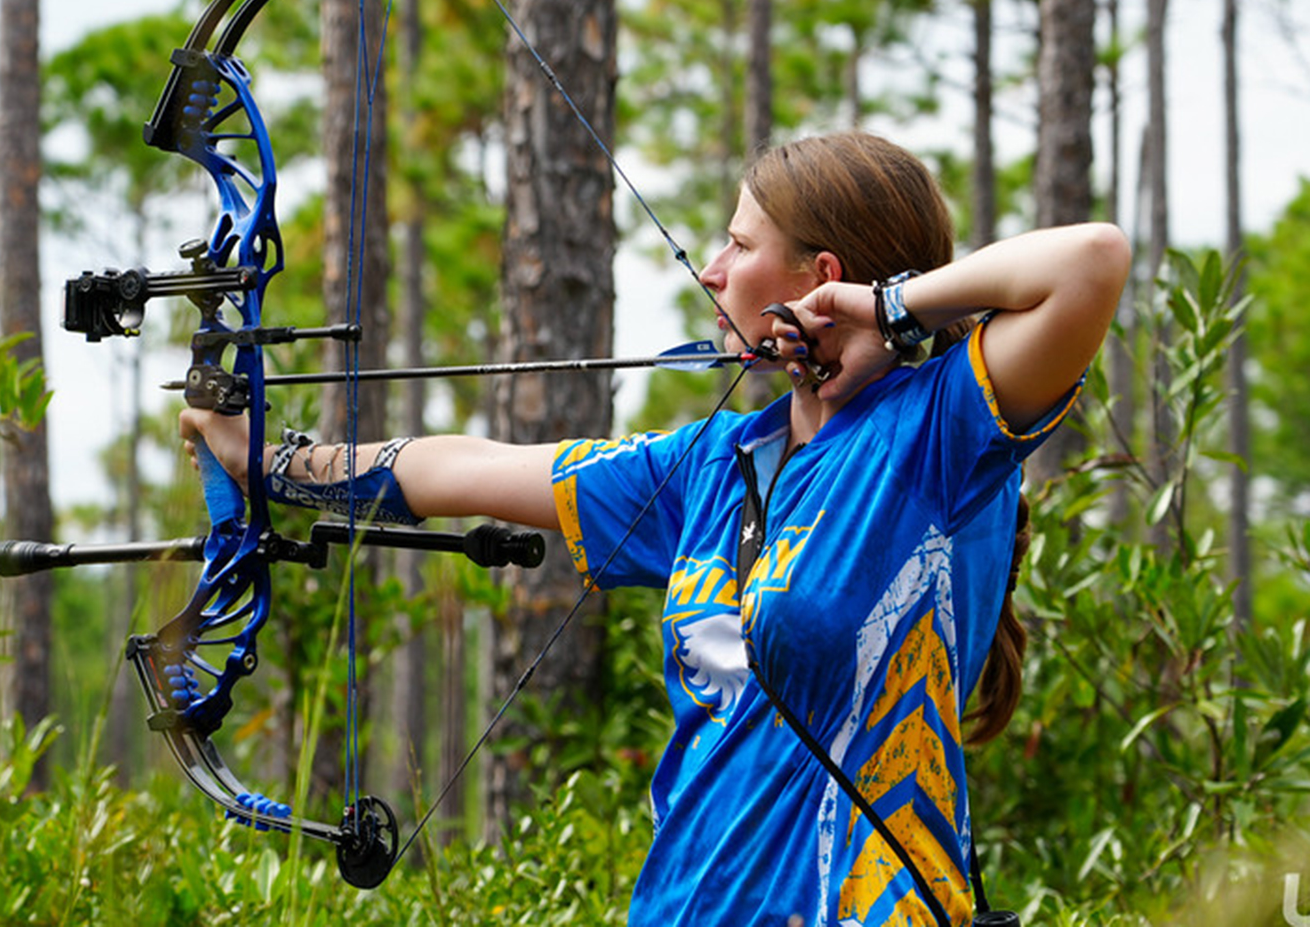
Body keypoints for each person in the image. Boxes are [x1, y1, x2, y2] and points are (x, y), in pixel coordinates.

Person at [182, 130, 1130, 926]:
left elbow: (1091, 261)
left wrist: (887, 310)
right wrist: (265, 464)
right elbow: (456, 470)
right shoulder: (710, 464)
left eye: (737, 243)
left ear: (819, 279)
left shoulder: (933, 435)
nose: (710, 270)